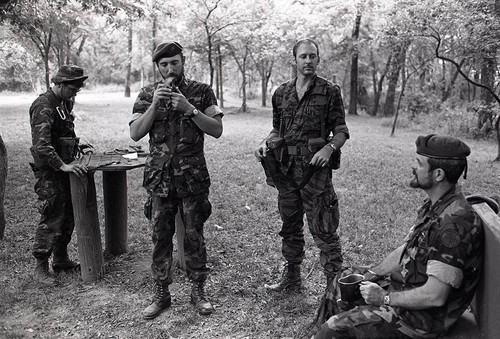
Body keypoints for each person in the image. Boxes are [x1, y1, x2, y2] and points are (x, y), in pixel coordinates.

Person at [310, 134, 493, 339]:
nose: (413, 167)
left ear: (438, 174)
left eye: (419, 163)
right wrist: (373, 273)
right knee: (343, 278)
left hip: (420, 320)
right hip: (406, 288)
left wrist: (385, 298)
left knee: (334, 328)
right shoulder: (436, 205)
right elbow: (407, 250)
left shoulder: (454, 226)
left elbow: (435, 296)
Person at [130, 41, 223, 319]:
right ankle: (161, 293)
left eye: (174, 62)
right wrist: (155, 106)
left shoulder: (201, 91)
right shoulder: (147, 94)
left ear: (183, 61)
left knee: (194, 236)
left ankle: (198, 290)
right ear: (157, 67)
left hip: (192, 179)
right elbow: (135, 133)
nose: (170, 68)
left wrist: (189, 108)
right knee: (160, 237)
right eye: (164, 64)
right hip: (160, 181)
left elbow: (217, 129)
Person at [254, 38, 349, 292]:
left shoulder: (329, 92)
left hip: (314, 175)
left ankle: (334, 288)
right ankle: (292, 278)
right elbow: (277, 130)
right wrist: (266, 143)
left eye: (313, 56)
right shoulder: (281, 93)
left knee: (325, 230)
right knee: (290, 226)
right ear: (294, 60)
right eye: (303, 56)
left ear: (318, 59)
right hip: (286, 173)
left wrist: (329, 149)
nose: (308, 61)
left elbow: (341, 131)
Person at [29, 65, 91, 285]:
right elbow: (42, 146)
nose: (75, 93)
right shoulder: (43, 106)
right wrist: (62, 165)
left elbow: (65, 131)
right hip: (50, 172)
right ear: (60, 84)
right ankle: (40, 266)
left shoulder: (64, 102)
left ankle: (61, 258)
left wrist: (78, 144)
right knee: (52, 214)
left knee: (69, 214)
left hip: (66, 165)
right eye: (72, 88)